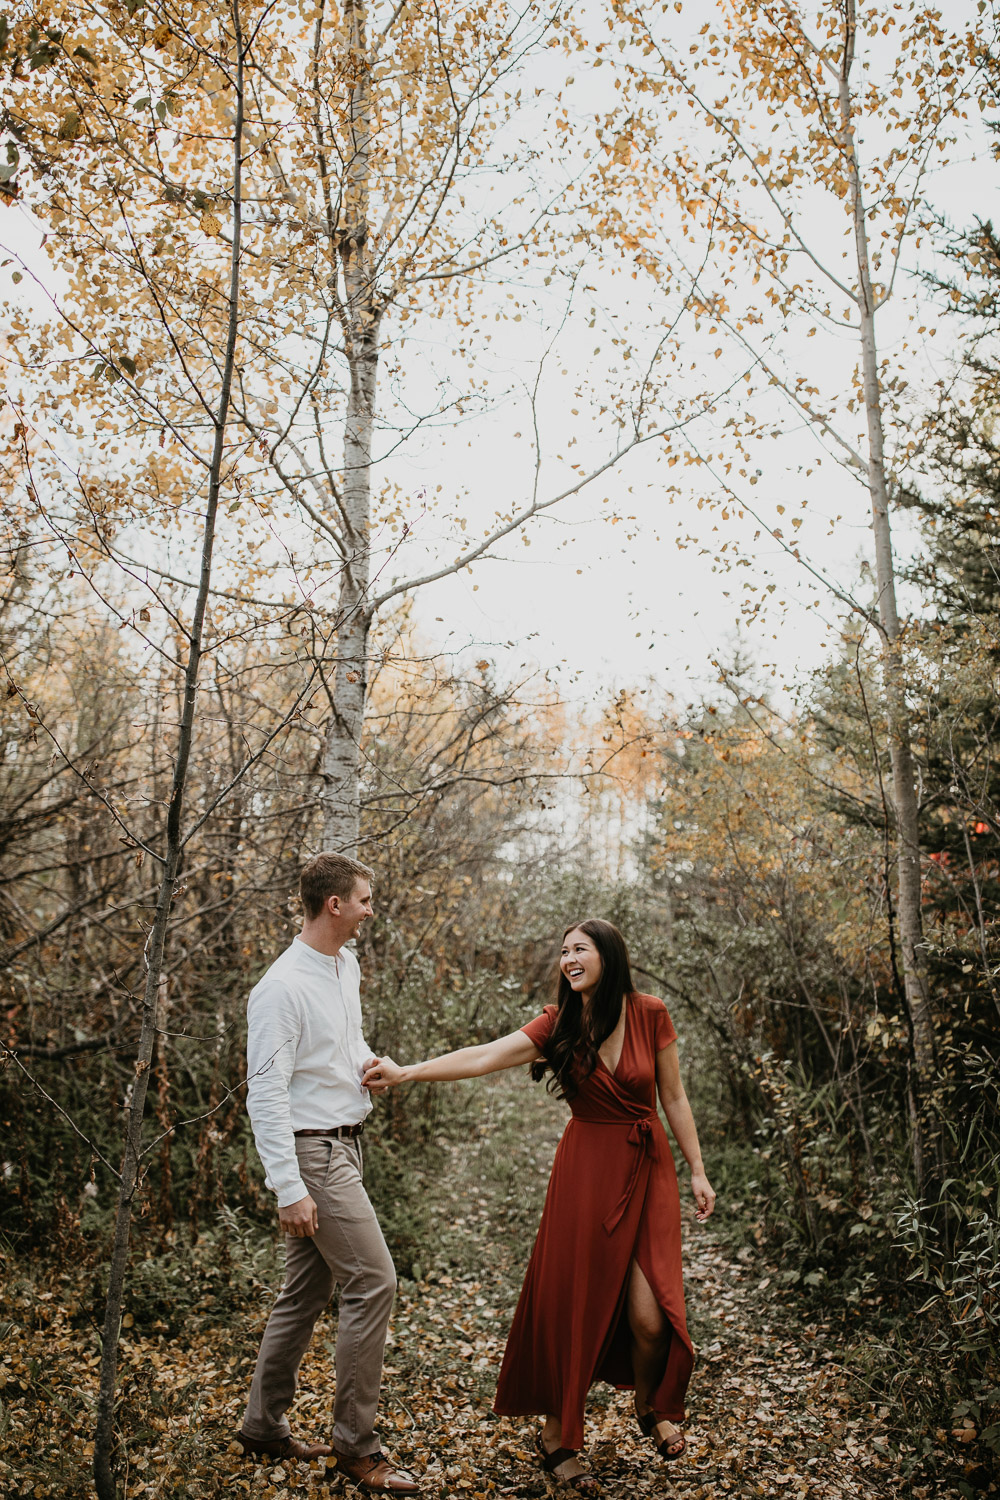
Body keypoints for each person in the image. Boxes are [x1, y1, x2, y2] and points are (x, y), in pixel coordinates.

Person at [363, 917, 716, 1493]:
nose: (568, 959)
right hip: (585, 1174)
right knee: (576, 1303)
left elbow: (672, 1095)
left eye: (580, 949)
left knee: (653, 1317)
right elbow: (481, 1057)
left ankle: (650, 1403)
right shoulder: (558, 1024)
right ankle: (558, 1434)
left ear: (608, 954)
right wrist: (406, 1074)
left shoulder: (650, 1011)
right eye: (562, 952)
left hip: (648, 1170)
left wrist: (697, 1170)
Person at [237, 852, 418, 1496]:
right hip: (312, 1155)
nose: (372, 909)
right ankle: (355, 1446)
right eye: (365, 899)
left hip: (348, 1143)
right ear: (335, 905)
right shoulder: (280, 988)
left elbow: (344, 1043)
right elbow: (266, 1094)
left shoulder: (346, 965)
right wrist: (288, 1186)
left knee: (305, 1294)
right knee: (373, 1281)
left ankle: (262, 1426)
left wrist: (372, 1063)